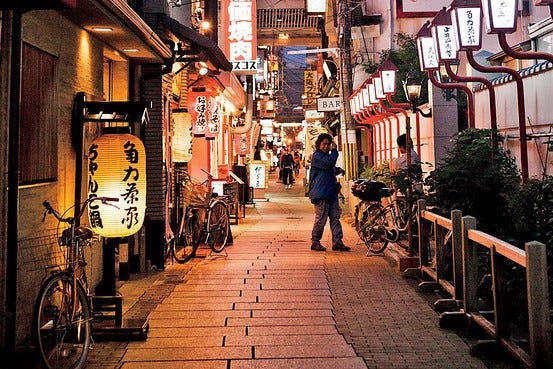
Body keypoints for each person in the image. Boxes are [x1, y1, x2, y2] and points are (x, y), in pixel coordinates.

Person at [308, 133, 350, 252]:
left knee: (335, 218)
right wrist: (335, 151)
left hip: (331, 193)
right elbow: (328, 163)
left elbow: (329, 168)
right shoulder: (317, 156)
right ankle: (315, 242)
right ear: (319, 145)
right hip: (321, 194)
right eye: (324, 144)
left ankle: (337, 242)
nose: (326, 147)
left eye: (328, 144)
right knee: (321, 219)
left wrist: (338, 170)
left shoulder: (325, 157)